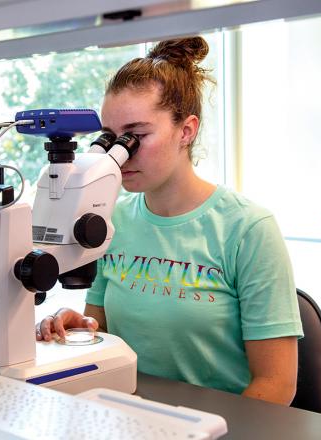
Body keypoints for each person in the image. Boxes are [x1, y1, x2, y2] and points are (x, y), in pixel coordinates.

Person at [36, 36, 303, 405]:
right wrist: (81, 327)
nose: (120, 153)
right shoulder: (108, 221)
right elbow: (105, 333)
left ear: (186, 130)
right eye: (111, 138)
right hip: (127, 417)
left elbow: (276, 385)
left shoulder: (248, 229)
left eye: (137, 136)